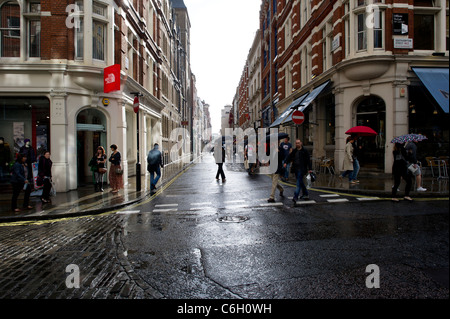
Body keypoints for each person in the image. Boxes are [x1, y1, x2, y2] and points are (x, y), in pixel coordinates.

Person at [284, 139, 312, 203]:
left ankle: (295, 197)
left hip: (302, 169)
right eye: (296, 143)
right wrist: (286, 162)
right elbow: (289, 157)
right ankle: (306, 194)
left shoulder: (304, 151)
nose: (297, 144)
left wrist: (310, 169)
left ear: (301, 143)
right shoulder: (294, 151)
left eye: (298, 143)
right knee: (300, 182)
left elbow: (308, 160)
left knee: (298, 183)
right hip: (296, 169)